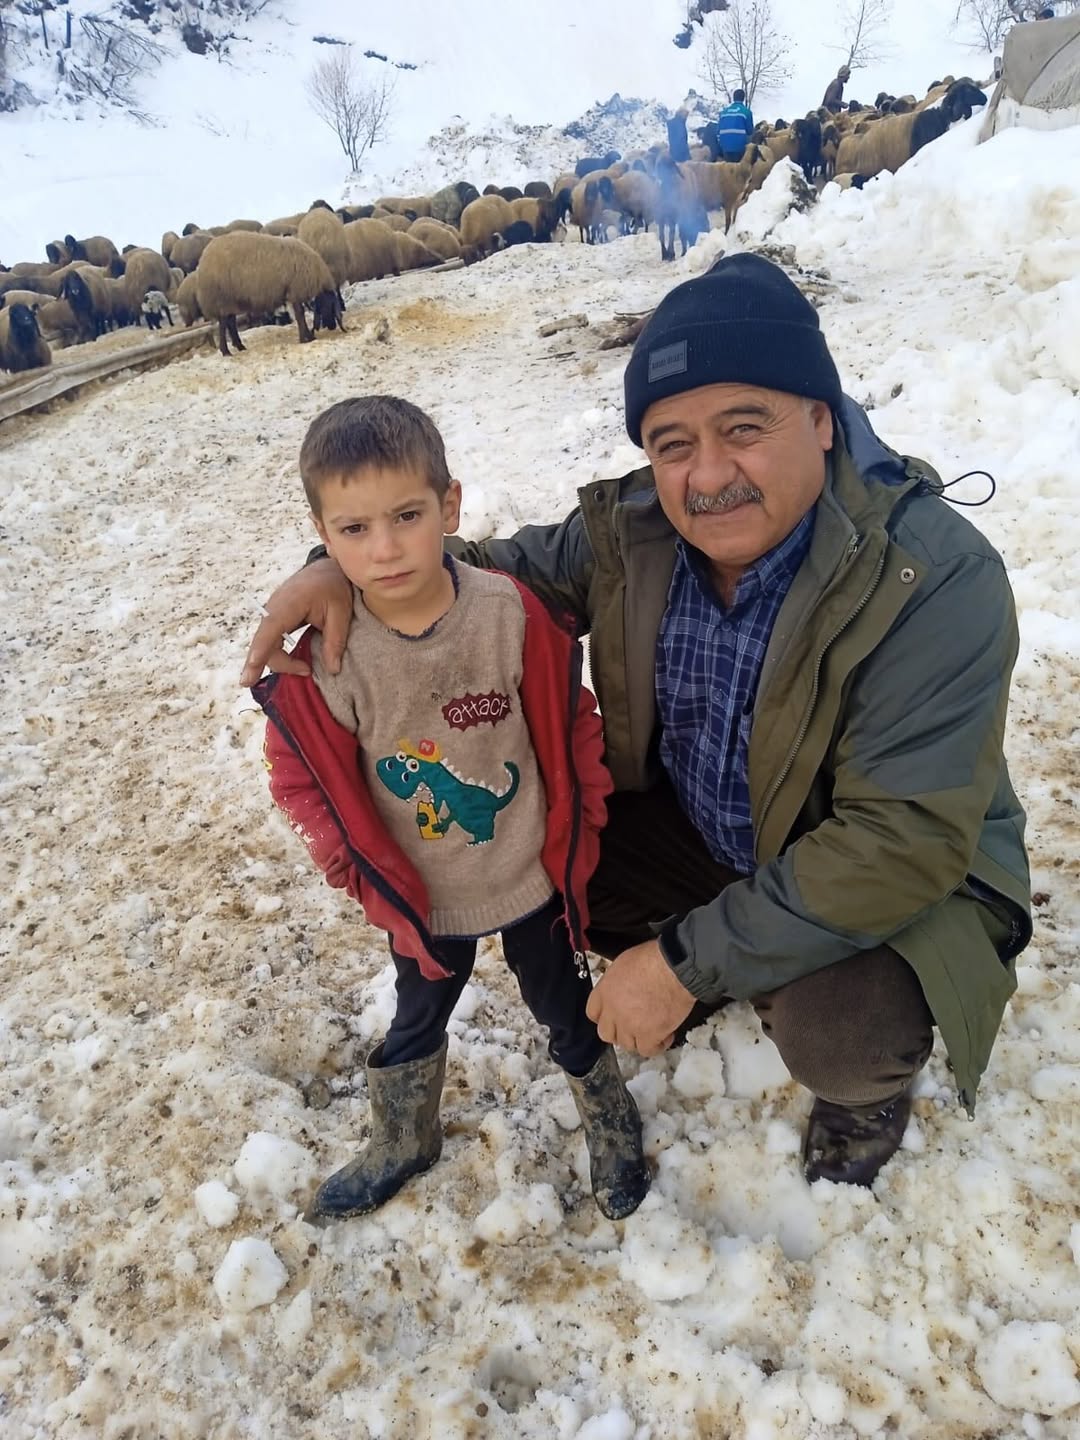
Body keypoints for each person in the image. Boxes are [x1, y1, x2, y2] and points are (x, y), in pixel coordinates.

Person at [242, 256, 1032, 1190]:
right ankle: (731, 952)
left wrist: (681, 966)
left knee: (843, 1034)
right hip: (703, 830)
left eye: (745, 429)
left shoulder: (929, 576)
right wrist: (332, 568)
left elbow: (900, 841)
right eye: (671, 444)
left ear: (823, 419)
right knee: (551, 866)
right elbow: (457, 574)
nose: (707, 476)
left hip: (879, 875)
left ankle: (857, 1082)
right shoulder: (631, 533)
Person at [250, 395, 649, 1223]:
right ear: (322, 538)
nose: (386, 548)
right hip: (425, 896)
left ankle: (609, 1119)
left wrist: (587, 816)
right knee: (417, 1013)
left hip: (527, 873)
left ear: (451, 506)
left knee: (566, 1009)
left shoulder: (506, 613)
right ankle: (404, 1135)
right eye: (353, 530)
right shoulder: (332, 656)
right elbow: (302, 772)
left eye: (407, 516)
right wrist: (344, 859)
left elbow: (572, 720)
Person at [716, 89, 754, 162]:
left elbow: (718, 130)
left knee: (728, 168)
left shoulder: (724, 112)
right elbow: (750, 131)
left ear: (733, 98)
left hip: (725, 146)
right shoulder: (746, 112)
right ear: (743, 98)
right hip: (740, 147)